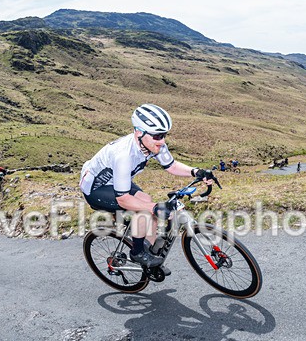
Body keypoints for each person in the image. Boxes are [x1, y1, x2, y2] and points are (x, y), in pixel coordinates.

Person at [79, 104, 215, 269]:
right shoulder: (124, 155)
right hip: (96, 189)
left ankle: (147, 251)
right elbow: (123, 199)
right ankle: (137, 253)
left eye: (164, 135)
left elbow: (171, 166)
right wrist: (154, 208)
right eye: (157, 136)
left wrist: (196, 172)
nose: (162, 141)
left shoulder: (150, 144)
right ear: (139, 133)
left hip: (115, 181)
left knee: (147, 201)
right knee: (145, 210)